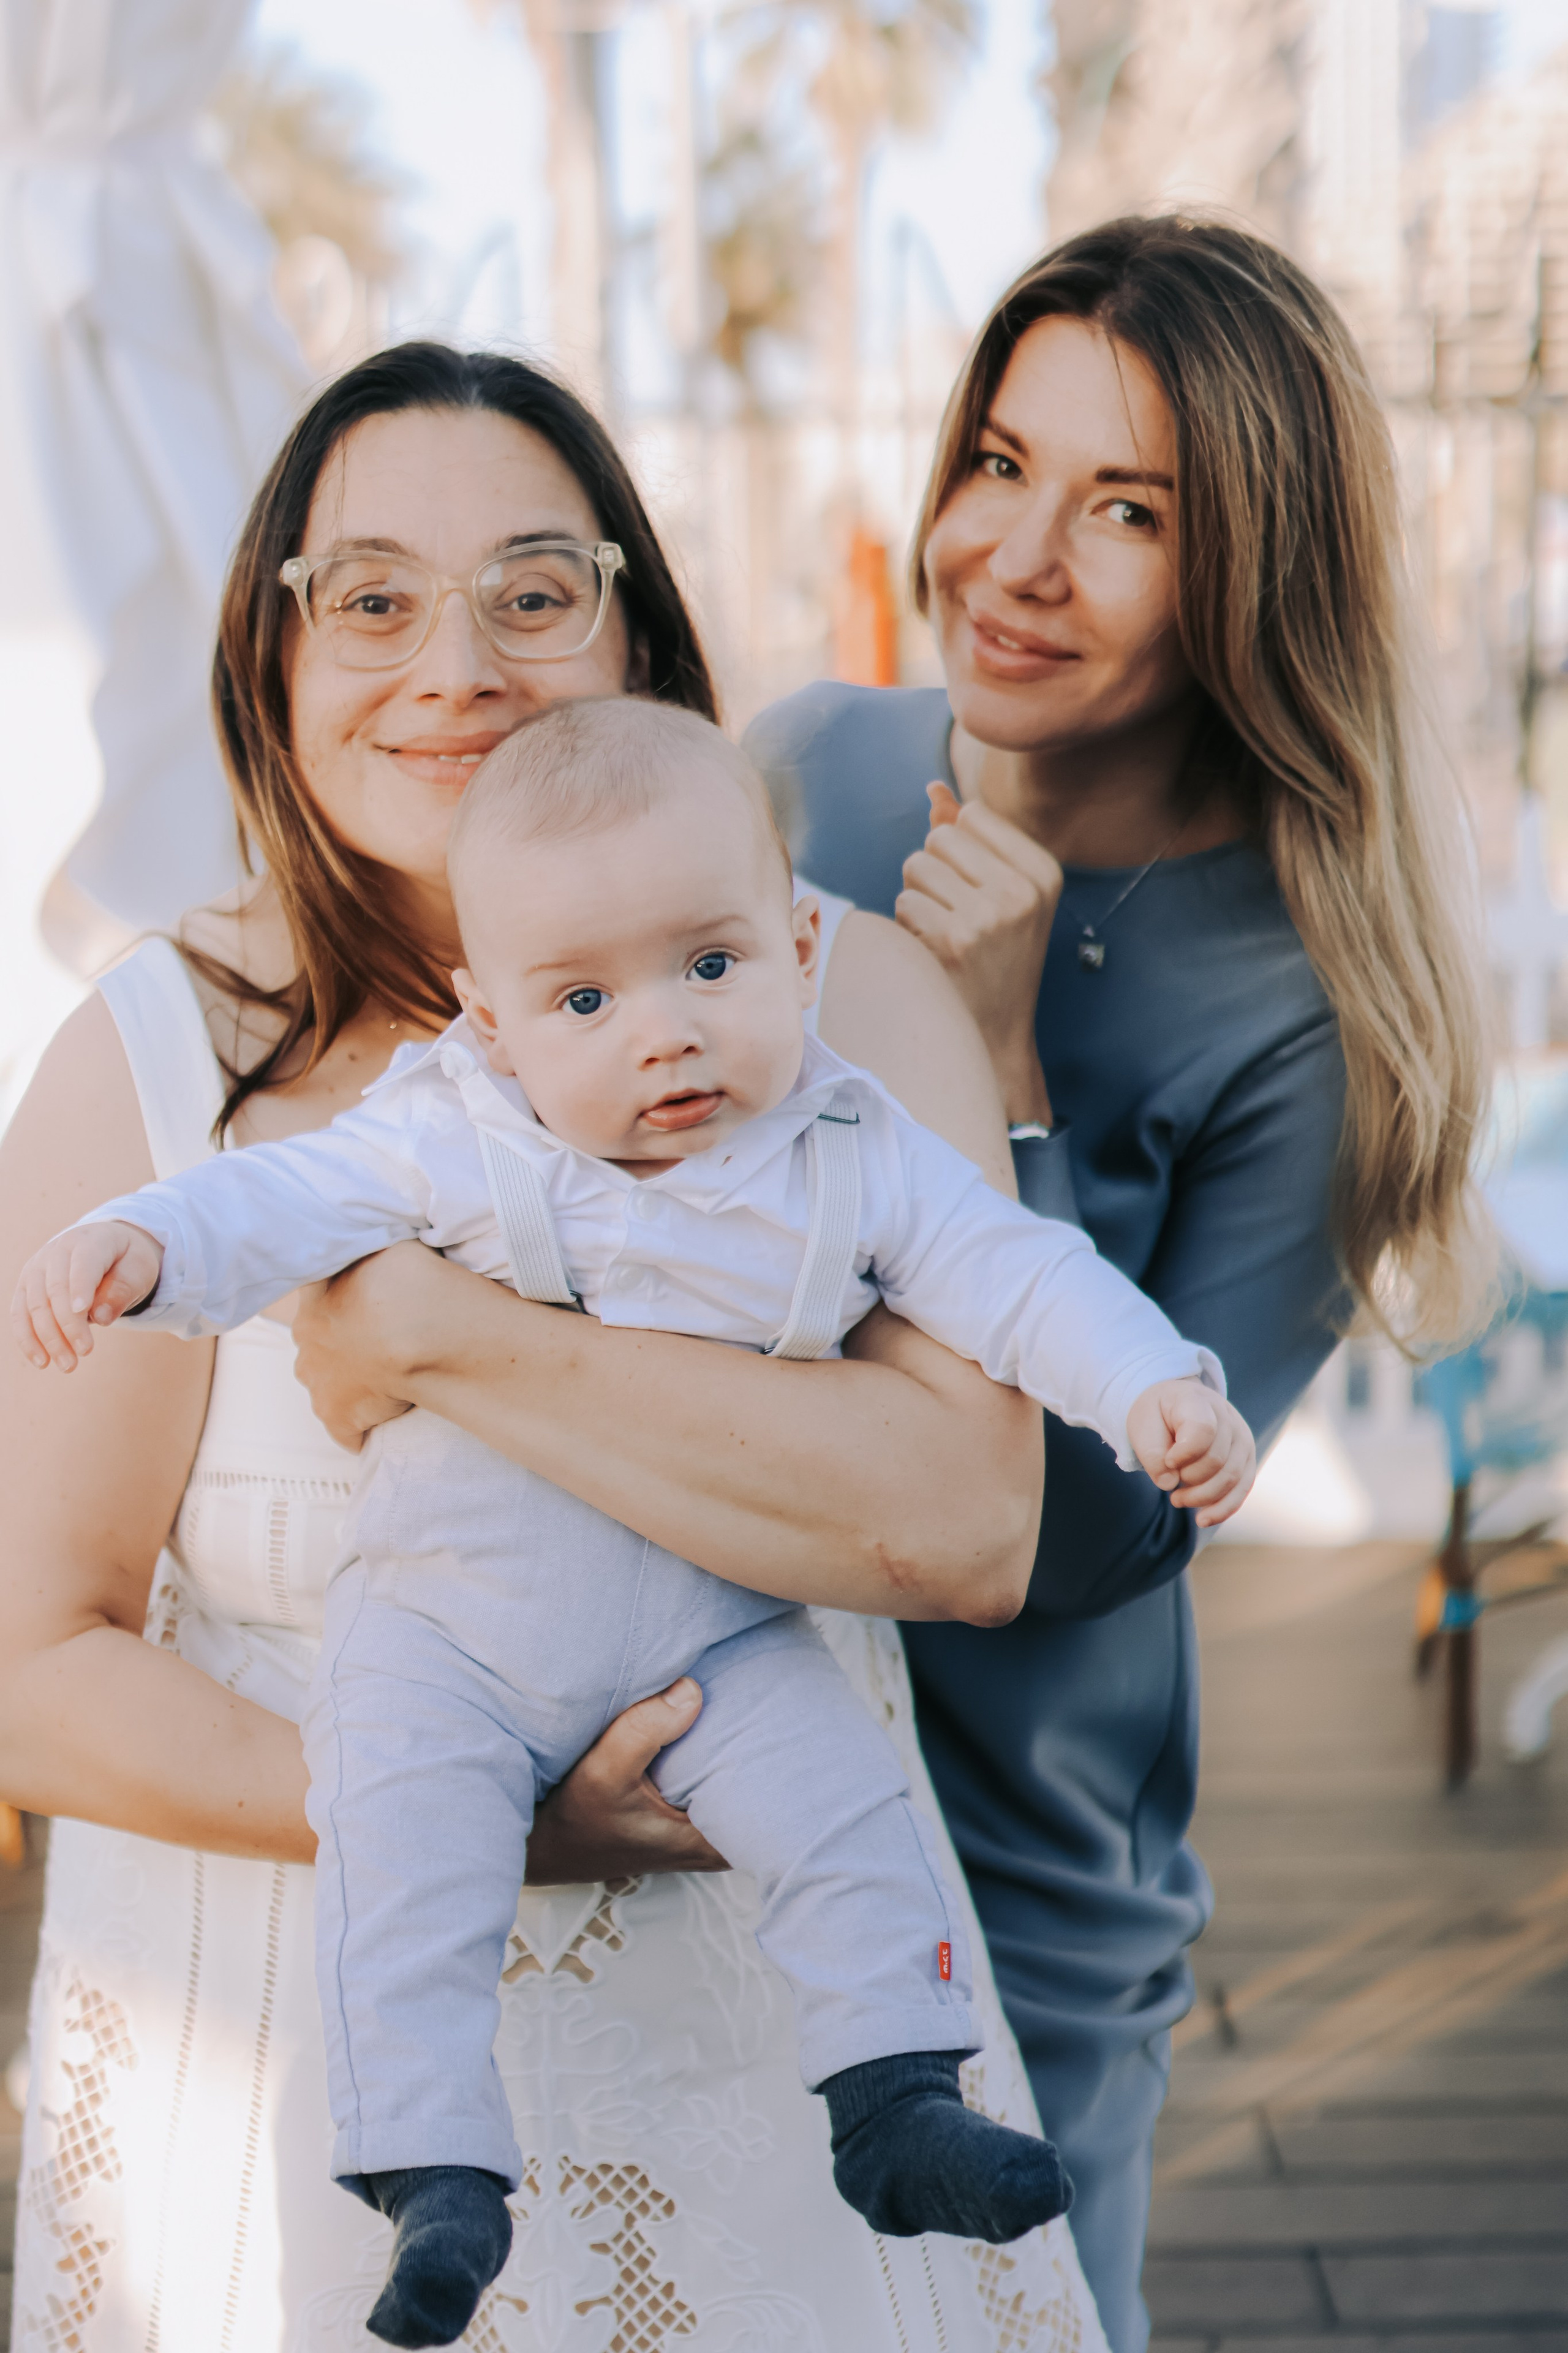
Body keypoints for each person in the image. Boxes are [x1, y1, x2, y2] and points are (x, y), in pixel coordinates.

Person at [1, 344, 1109, 2352]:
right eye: (372, 598)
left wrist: (433, 1336)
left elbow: (971, 1519)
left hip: (775, 2094)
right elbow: (27, 1662)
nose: (457, 666)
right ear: (272, 655)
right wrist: (485, 1809)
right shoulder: (152, 1058)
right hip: (270, 2088)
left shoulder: (827, 988)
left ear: (642, 640)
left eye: (534, 591)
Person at [742, 215, 1493, 2353]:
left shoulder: (1320, 1016)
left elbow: (1088, 1544)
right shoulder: (804, 769)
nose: (1016, 554)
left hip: (1013, 1902)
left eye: (1129, 507)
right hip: (692, 1813)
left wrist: (995, 1073)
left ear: (1258, 564)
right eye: (1001, 460)